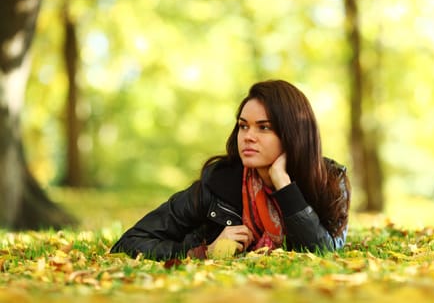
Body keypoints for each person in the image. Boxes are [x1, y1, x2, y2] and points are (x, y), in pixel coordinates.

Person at [110, 79, 351, 260]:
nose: (248, 137)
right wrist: (204, 252)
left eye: (264, 127)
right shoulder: (219, 183)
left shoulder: (329, 180)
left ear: (293, 135)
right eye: (243, 126)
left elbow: (325, 253)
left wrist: (284, 185)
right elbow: (130, 242)